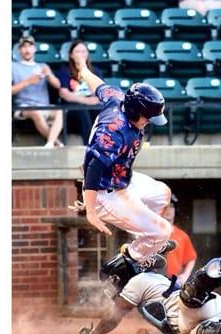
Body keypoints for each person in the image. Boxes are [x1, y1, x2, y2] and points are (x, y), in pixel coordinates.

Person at [71, 52, 176, 271]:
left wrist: (83, 71)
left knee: (163, 193)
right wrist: (90, 209)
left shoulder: (118, 98)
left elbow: (98, 86)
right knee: (163, 231)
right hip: (105, 192)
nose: (149, 122)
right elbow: (94, 168)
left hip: (121, 179)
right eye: (148, 117)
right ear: (137, 112)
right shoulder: (114, 132)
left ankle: (147, 243)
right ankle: (130, 258)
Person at [77, 249, 221, 334]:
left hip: (187, 310)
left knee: (188, 302)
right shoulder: (154, 279)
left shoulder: (137, 281)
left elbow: (113, 317)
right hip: (211, 308)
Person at [12, 36, 64, 148]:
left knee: (60, 111)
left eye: (30, 46)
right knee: (36, 113)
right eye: (24, 47)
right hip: (23, 107)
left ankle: (50, 143)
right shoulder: (13, 66)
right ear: (19, 50)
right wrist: (28, 82)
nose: (27, 49)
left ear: (34, 49)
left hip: (44, 106)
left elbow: (58, 85)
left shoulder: (43, 66)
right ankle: (56, 143)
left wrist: (49, 74)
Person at [57, 40, 104, 145]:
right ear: (71, 55)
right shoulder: (64, 71)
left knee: (103, 111)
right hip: (71, 110)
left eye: (84, 51)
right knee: (82, 110)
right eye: (78, 51)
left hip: (91, 106)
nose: (81, 54)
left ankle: (106, 145)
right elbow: (64, 94)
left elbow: (100, 92)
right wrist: (85, 100)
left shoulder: (95, 71)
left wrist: (88, 100)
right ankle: (89, 146)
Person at [162, 194, 197, 286]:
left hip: (174, 282)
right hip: (155, 280)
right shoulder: (151, 233)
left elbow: (192, 258)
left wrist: (185, 275)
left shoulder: (182, 235)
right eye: (165, 207)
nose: (168, 210)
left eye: (171, 207)